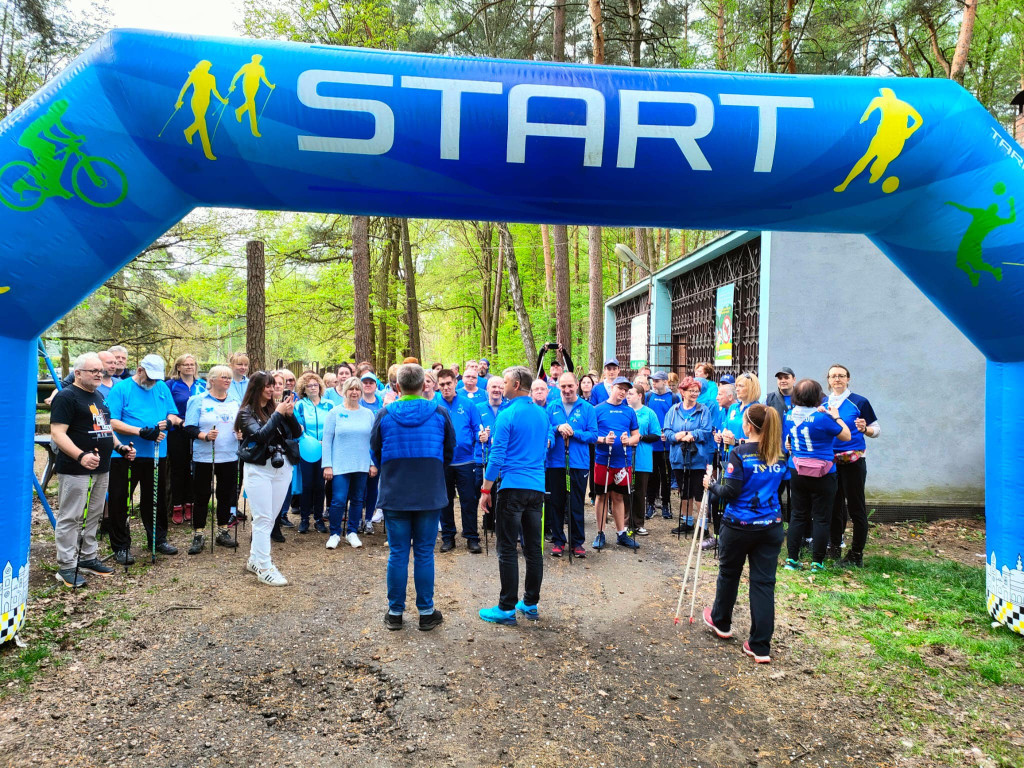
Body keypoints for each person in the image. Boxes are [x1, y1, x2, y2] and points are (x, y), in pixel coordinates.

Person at [702, 404, 788, 664]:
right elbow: (781, 487)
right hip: (770, 525)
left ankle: (721, 622)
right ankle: (760, 645)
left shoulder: (739, 454)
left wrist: (711, 484)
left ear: (749, 426)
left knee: (729, 574)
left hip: (739, 525)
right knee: (763, 584)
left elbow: (731, 492)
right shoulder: (781, 455)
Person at [371, 364, 454, 631]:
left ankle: (395, 612)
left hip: (396, 491)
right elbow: (449, 450)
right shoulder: (439, 412)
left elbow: (375, 450)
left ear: (397, 386)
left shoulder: (385, 414)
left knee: (398, 552)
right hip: (429, 491)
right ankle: (426, 612)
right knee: (424, 553)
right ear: (423, 386)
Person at [49, 353, 135, 587]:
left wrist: (120, 447)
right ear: (77, 373)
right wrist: (80, 455)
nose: (99, 374)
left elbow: (106, 428)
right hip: (75, 467)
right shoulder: (67, 397)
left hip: (102, 466)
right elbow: (57, 433)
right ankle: (66, 566)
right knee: (71, 516)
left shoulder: (97, 396)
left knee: (95, 514)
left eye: (101, 371)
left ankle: (87, 557)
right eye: (93, 371)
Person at [478, 366, 549, 624]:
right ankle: (530, 602)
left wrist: (486, 490)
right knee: (533, 548)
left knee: (507, 547)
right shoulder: (542, 414)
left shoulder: (507, 415)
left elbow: (496, 456)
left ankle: (506, 607)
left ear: (516, 384)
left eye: (505, 381)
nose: (503, 385)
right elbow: (543, 449)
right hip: (536, 488)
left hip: (512, 488)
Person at [106, 354, 183, 563]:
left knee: (155, 499)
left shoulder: (161, 388)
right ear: (140, 370)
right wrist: (140, 431)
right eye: (150, 378)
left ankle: (157, 539)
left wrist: (169, 422)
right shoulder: (121, 389)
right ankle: (121, 546)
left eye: (156, 379)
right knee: (120, 500)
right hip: (125, 453)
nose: (152, 383)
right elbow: (110, 421)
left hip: (157, 453)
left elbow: (173, 414)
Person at [236, 371, 301, 585]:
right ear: (257, 388)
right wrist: (278, 414)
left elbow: (297, 433)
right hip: (259, 469)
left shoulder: (276, 409)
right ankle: (265, 567)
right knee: (263, 518)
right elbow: (260, 436)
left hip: (282, 468)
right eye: (268, 386)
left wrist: (289, 414)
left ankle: (254, 559)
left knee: (270, 518)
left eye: (274, 386)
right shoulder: (246, 413)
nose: (272, 390)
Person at [783, 378, 851, 572]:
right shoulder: (823, 418)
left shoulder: (788, 415)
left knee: (797, 515)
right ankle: (817, 562)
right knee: (821, 518)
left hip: (797, 470)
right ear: (817, 397)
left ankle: (792, 560)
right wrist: (836, 416)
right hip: (824, 472)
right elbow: (846, 435)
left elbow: (790, 439)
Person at [826, 364, 879, 567]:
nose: (837, 379)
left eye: (841, 376)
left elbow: (876, 429)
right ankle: (834, 546)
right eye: (833, 376)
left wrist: (865, 430)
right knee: (834, 505)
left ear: (848, 379)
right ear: (828, 380)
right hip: (829, 461)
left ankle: (856, 553)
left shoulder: (859, 402)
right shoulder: (823, 402)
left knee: (856, 506)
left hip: (853, 461)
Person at [183, 365, 239, 554]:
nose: (228, 380)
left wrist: (241, 433)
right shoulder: (198, 400)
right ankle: (198, 533)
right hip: (205, 456)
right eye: (224, 377)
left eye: (230, 378)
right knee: (201, 494)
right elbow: (188, 427)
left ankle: (223, 530)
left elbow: (240, 424)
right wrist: (205, 436)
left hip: (229, 454)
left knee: (225, 493)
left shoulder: (234, 401)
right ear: (212, 380)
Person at [544, 372, 596, 557]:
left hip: (578, 462)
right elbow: (545, 430)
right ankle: (558, 541)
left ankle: (577, 542)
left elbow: (594, 435)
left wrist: (575, 433)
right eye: (563, 386)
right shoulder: (551, 407)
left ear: (577, 386)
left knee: (575, 504)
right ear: (558, 387)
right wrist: (557, 429)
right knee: (556, 503)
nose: (566, 390)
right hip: (556, 462)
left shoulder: (587, 408)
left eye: (570, 386)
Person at [322, 377, 377, 549]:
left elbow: (372, 441)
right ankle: (335, 533)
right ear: (345, 391)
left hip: (361, 464)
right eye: (351, 389)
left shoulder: (368, 414)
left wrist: (372, 463)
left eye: (357, 389)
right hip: (339, 465)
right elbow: (327, 439)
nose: (354, 392)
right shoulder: (335, 413)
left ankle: (352, 532)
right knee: (338, 500)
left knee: (358, 499)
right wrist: (327, 465)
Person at [437, 369, 483, 553]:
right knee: (445, 500)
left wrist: (480, 438)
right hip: (443, 462)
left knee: (469, 500)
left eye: (448, 383)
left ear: (455, 383)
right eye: (442, 384)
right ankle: (448, 537)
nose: (446, 387)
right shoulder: (434, 405)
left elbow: (476, 428)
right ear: (437, 386)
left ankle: (472, 537)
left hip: (466, 461)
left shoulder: (468, 404)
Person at [592, 376, 640, 551]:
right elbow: (591, 436)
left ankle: (621, 534)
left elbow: (637, 436)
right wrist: (604, 439)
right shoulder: (598, 409)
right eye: (620, 388)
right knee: (602, 496)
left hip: (623, 462)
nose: (622, 392)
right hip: (603, 461)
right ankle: (600, 532)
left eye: (626, 390)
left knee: (619, 497)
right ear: (612, 387)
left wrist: (628, 441)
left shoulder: (629, 411)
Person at [663, 376, 715, 537]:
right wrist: (678, 436)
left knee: (699, 492)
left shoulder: (703, 409)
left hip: (698, 457)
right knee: (684, 491)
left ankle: (703, 526)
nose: (694, 393)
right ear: (682, 392)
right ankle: (687, 522)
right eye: (691, 390)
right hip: (679, 457)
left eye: (696, 391)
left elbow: (706, 431)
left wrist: (689, 434)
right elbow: (667, 431)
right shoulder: (674, 410)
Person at [167, 353, 206, 525]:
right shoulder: (171, 385)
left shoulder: (202, 385)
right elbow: (167, 407)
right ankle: (177, 505)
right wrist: (178, 421)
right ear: (179, 367)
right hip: (178, 431)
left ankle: (191, 503)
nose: (190, 367)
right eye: (186, 364)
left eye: (192, 364)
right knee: (178, 469)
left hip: (197, 432)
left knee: (195, 469)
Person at [294, 371, 332, 534]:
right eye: (309, 386)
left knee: (320, 485)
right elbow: (298, 428)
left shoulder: (329, 405)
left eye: (315, 385)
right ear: (304, 389)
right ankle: (304, 519)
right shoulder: (300, 405)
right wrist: (311, 442)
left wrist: (326, 441)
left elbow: (332, 426)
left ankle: (318, 519)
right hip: (307, 450)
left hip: (325, 449)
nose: (312, 388)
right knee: (307, 484)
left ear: (320, 386)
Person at [626, 382, 661, 536]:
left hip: (643, 457)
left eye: (631, 394)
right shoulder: (624, 412)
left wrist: (640, 437)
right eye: (627, 394)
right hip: (625, 457)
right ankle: (626, 523)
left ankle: (638, 523)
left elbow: (656, 435)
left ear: (639, 396)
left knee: (640, 491)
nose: (627, 396)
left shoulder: (649, 413)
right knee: (625, 491)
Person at [645, 371, 678, 520]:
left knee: (665, 476)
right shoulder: (648, 396)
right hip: (651, 443)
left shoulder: (673, 397)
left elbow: (676, 419)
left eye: (657, 380)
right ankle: (650, 504)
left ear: (665, 382)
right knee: (652, 476)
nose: (654, 383)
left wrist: (669, 432)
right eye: (653, 380)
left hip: (666, 444)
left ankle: (666, 504)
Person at [358, 372, 385, 533]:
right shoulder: (357, 402)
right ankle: (358, 518)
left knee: (373, 486)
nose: (368, 385)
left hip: (377, 449)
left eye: (371, 383)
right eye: (365, 382)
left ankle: (369, 518)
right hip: (360, 449)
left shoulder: (382, 403)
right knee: (359, 487)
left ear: (376, 385)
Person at [717, 373, 761, 453]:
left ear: (752, 388)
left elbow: (761, 440)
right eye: (736, 386)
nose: (737, 389)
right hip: (731, 454)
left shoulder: (758, 410)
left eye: (741, 386)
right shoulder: (733, 407)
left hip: (749, 456)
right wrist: (725, 435)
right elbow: (725, 429)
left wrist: (736, 442)